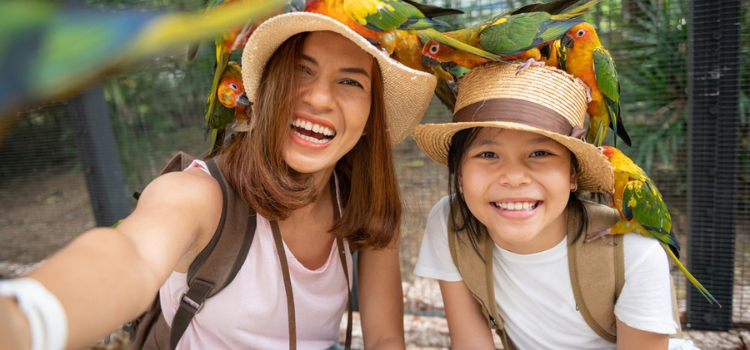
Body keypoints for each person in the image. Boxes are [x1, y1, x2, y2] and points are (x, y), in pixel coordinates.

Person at [0, 12, 437, 350]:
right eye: (301, 71)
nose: (320, 98)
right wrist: (27, 319)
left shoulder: (361, 204)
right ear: (263, 88)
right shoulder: (200, 196)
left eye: (350, 82)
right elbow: (127, 257)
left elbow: (384, 340)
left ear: (369, 118)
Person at [411, 62, 698, 349]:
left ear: (573, 175)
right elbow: (470, 343)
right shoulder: (451, 224)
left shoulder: (633, 251)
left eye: (540, 152)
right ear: (459, 173)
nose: (513, 177)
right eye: (488, 153)